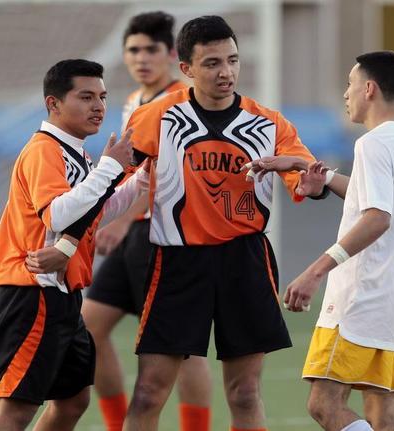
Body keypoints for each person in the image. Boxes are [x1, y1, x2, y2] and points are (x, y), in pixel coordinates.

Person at [122, 16, 322, 431]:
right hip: (177, 262)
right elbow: (118, 180)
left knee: (244, 393)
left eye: (232, 60)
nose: (226, 72)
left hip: (244, 260)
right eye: (212, 63)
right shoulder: (155, 117)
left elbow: (304, 179)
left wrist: (314, 182)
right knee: (147, 393)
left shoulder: (269, 124)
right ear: (187, 69)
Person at [249, 51, 394, 431]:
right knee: (382, 408)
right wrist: (307, 166)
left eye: (350, 84)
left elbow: (377, 218)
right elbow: (378, 199)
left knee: (324, 404)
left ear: (369, 89)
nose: (345, 94)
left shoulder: (373, 144)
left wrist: (316, 271)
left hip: (364, 297)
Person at [0, 59, 146, 431]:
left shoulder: (79, 153)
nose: (99, 107)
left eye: (103, 97)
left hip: (63, 294)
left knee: (73, 400)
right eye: (86, 96)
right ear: (53, 104)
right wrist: (109, 167)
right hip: (32, 293)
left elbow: (95, 212)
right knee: (18, 408)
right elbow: (57, 216)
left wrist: (140, 177)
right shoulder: (45, 149)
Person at [82, 11, 212, 431]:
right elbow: (136, 171)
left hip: (169, 234)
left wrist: (121, 221)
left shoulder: (180, 100)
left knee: (182, 348)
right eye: (133, 50)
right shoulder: (133, 101)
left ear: (172, 54)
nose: (141, 58)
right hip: (137, 234)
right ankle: (118, 423)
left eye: (150, 49)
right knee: (89, 327)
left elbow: (164, 174)